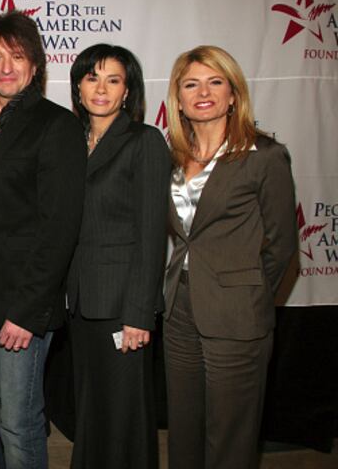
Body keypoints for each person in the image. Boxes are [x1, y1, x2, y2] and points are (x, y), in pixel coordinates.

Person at [0, 10, 86, 468]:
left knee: (21, 421)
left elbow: (59, 228)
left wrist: (28, 313)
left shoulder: (57, 125)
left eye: (17, 56)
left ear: (35, 65)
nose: (6, 67)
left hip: (22, 309)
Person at [164, 45, 298, 469]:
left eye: (215, 81)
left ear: (233, 94)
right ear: (179, 99)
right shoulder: (172, 155)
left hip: (237, 315)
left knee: (230, 438)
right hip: (178, 310)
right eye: (191, 84)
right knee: (183, 431)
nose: (203, 92)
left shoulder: (265, 156)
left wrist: (249, 294)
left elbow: (282, 246)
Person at [65, 44, 170, 468]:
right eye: (93, 78)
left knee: (125, 415)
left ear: (128, 91)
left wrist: (140, 314)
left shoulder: (144, 141)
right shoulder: (72, 142)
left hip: (123, 306)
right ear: (78, 86)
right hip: (81, 302)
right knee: (91, 408)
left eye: (114, 80)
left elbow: (150, 235)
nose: (102, 89)